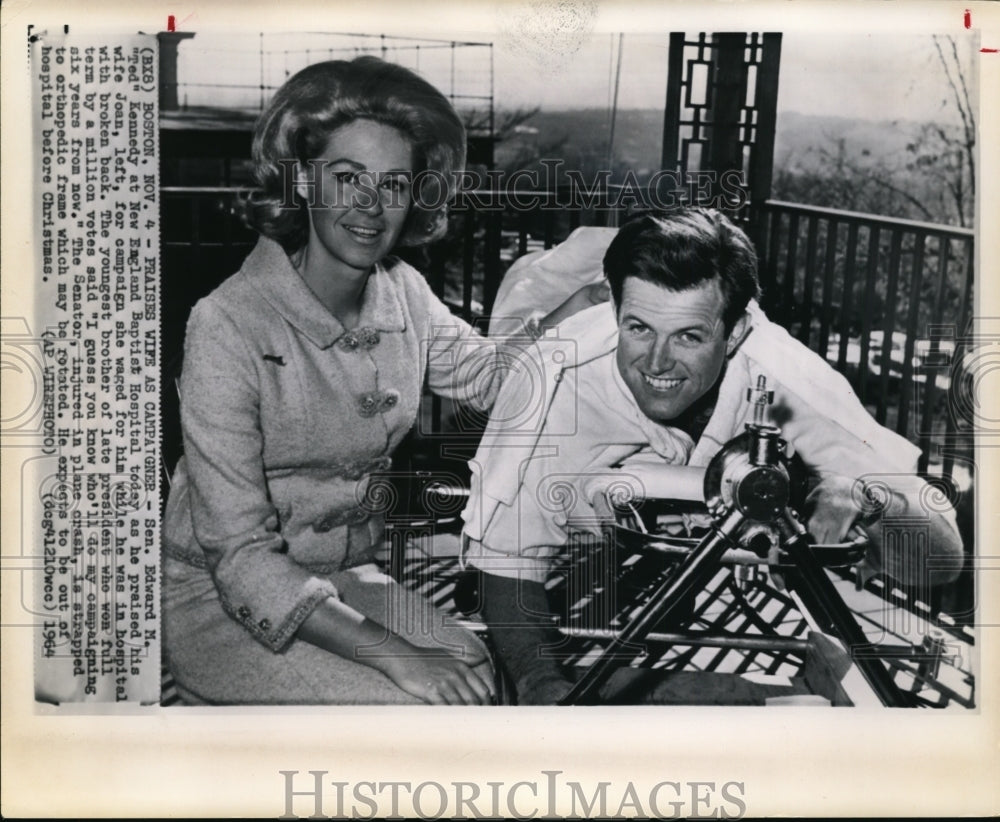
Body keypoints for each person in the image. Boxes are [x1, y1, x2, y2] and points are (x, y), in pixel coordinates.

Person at [161, 56, 600, 705]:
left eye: (393, 184)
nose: (371, 207)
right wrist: (397, 655)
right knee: (415, 706)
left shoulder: (404, 293)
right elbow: (241, 561)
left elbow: (488, 379)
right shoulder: (227, 324)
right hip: (220, 600)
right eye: (348, 178)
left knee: (479, 676)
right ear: (304, 180)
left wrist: (575, 311)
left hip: (344, 577)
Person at [461, 208, 965, 705]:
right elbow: (505, 561)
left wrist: (865, 496)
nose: (656, 363)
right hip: (546, 389)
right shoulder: (554, 382)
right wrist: (540, 685)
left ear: (738, 331)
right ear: (614, 309)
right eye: (638, 328)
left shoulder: (787, 382)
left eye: (689, 336)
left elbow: (941, 560)